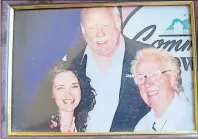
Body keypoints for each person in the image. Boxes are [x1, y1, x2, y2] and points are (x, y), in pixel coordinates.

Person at [66, 7, 152, 132]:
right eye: (92, 28)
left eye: (105, 25)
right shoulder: (73, 56)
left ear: (118, 23)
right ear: (83, 29)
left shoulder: (147, 55)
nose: (99, 34)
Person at [131, 47, 195, 131]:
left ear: (172, 78)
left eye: (154, 74)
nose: (147, 83)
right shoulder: (141, 126)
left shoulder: (191, 119)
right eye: (141, 78)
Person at [28, 60, 96, 132]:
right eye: (60, 88)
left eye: (74, 86)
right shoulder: (39, 131)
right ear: (51, 93)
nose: (69, 94)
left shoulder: (81, 128)